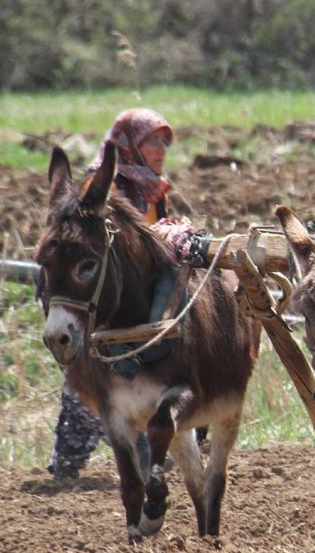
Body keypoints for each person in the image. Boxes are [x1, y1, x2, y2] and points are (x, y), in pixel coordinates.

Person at [41, 108, 209, 479]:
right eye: (152, 141)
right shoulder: (97, 191)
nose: (161, 149)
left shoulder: (152, 186)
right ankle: (71, 463)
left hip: (140, 287)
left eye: (165, 142)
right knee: (95, 371)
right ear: (130, 144)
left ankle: (166, 435)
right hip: (100, 295)